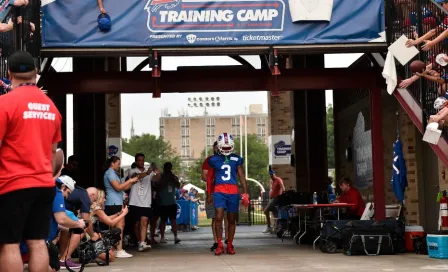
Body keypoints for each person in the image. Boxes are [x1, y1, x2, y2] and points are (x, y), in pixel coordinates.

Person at [0, 51, 62, 272]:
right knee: (37, 242)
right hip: (44, 184)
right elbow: (54, 153)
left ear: (9, 74)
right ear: (35, 73)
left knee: (10, 244)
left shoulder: (5, 103)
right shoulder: (51, 108)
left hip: (13, 184)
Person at [21, 175, 87, 271]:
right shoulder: (56, 192)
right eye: (67, 193)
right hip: (38, 241)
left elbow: (53, 219)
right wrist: (78, 224)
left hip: (28, 238)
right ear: (63, 187)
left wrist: (70, 228)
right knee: (52, 267)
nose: (66, 197)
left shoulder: (42, 190)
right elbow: (61, 219)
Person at [207, 133, 249, 255]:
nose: (226, 149)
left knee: (231, 219)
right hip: (219, 190)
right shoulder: (213, 160)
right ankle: (219, 244)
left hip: (233, 191)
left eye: (228, 147)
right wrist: (210, 193)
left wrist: (245, 192)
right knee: (218, 216)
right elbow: (209, 178)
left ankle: (229, 243)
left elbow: (241, 176)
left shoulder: (236, 158)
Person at [104, 156, 139, 258]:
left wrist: (132, 183)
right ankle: (119, 250)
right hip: (114, 202)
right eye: (118, 164)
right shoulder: (110, 173)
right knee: (120, 226)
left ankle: (116, 249)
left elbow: (121, 188)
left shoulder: (113, 173)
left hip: (115, 201)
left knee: (116, 226)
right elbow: (118, 187)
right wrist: (130, 180)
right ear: (112, 163)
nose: (119, 166)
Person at [58, 184, 99, 268]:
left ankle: (62, 258)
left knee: (66, 229)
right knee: (82, 228)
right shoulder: (85, 196)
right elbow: (86, 220)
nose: (93, 203)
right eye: (94, 200)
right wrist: (93, 235)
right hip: (59, 212)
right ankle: (65, 259)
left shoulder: (78, 192)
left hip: (57, 210)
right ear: (92, 195)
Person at [203, 141, 228, 251]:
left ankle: (227, 239)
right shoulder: (209, 160)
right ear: (213, 148)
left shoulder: (228, 159)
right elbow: (204, 176)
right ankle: (216, 241)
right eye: (216, 147)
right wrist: (215, 180)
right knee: (215, 218)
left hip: (226, 191)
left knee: (227, 216)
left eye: (220, 146)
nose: (218, 149)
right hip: (213, 192)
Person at [128, 153, 154, 252]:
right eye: (139, 160)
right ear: (136, 161)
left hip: (146, 202)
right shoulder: (131, 171)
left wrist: (157, 171)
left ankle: (142, 243)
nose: (141, 162)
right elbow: (136, 176)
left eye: (143, 160)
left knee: (144, 222)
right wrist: (147, 173)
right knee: (136, 224)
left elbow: (157, 178)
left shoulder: (149, 173)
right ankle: (139, 241)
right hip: (134, 201)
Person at [154, 162, 181, 244]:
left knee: (173, 220)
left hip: (172, 202)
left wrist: (173, 179)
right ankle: (162, 237)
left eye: (170, 167)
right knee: (163, 221)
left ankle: (176, 237)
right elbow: (157, 187)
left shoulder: (173, 176)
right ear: (164, 168)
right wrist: (166, 180)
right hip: (163, 202)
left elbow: (178, 186)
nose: (169, 169)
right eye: (167, 168)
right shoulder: (160, 176)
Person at [262, 170, 284, 234]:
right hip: (272, 199)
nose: (271, 176)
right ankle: (276, 228)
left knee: (265, 211)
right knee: (275, 213)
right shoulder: (273, 181)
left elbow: (283, 187)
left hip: (276, 199)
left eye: (272, 174)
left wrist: (282, 195)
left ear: (274, 174)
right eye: (270, 175)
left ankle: (269, 227)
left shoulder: (278, 179)